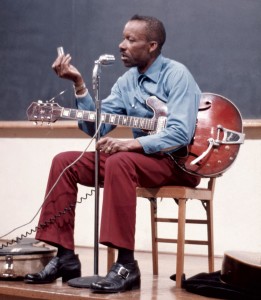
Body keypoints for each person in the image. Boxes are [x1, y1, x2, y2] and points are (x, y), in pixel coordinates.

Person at [24, 15, 201, 293]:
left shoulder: (177, 75)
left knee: (120, 160)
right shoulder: (126, 82)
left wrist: (129, 145)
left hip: (176, 162)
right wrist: (79, 84)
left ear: (152, 45)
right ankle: (65, 256)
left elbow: (180, 132)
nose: (121, 45)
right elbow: (98, 126)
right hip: (139, 160)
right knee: (65, 162)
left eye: (131, 40)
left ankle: (126, 265)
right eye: (123, 38)